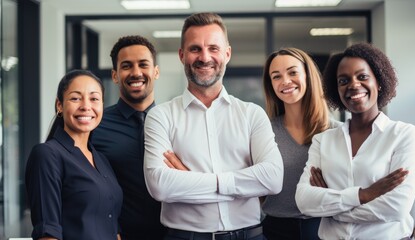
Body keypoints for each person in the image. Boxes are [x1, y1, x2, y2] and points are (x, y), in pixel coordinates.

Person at [143, 12, 284, 240]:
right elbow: (160, 185)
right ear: (182, 55)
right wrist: (240, 185)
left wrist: (190, 179)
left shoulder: (252, 114)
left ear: (227, 53)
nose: (204, 57)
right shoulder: (161, 116)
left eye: (213, 48)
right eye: (195, 48)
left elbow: (273, 178)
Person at [295, 42, 415, 239]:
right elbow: (304, 201)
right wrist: (364, 194)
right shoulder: (323, 141)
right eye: (343, 80)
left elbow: (395, 208)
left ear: (378, 82)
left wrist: (331, 208)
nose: (353, 85)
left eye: (362, 77)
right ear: (336, 89)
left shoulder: (404, 135)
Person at [25, 69, 123, 240]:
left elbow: (113, 227)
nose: (86, 106)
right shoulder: (47, 155)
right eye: (75, 98)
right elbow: (48, 232)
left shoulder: (101, 159)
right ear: (60, 105)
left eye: (94, 99)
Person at [260, 47, 341, 240]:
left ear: (308, 75)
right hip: (273, 230)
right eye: (276, 76)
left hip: (324, 228)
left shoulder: (338, 132)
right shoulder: (263, 132)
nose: (285, 81)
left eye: (293, 72)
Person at [91, 35, 166, 240]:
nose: (136, 73)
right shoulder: (95, 125)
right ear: (115, 75)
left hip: (174, 234)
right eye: (126, 66)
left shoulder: (174, 121)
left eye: (143, 64)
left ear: (156, 72)